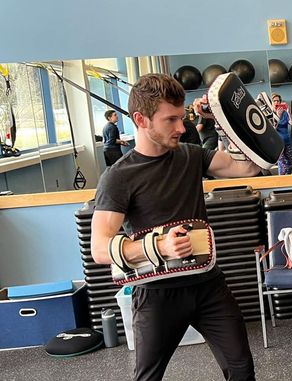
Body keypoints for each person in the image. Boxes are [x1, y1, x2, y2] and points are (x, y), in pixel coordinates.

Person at [90, 73, 259, 381]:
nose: (181, 128)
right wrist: (159, 247)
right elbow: (100, 249)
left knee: (241, 370)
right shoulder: (119, 177)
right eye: (171, 120)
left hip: (208, 285)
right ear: (141, 119)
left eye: (182, 118)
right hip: (157, 295)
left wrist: (226, 119)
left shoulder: (192, 156)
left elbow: (247, 167)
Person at [271, 93, 292, 175]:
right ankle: (282, 180)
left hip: (287, 142)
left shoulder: (284, 113)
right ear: (271, 102)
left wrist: (289, 112)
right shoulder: (270, 114)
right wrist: (278, 117)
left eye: (278, 101)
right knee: (283, 164)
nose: (276, 102)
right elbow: (272, 130)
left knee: (289, 164)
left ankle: (289, 182)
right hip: (277, 144)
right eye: (274, 101)